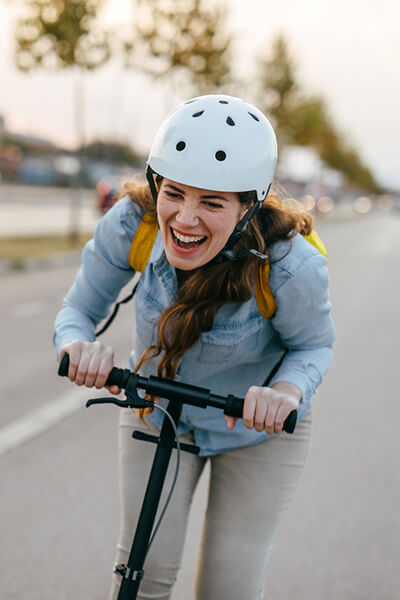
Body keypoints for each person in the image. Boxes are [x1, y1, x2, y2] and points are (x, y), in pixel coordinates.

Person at [53, 94, 335, 600]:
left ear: (248, 206)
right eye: (175, 193)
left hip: (256, 430)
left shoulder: (290, 265)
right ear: (157, 184)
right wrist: (79, 345)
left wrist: (286, 393)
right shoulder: (132, 223)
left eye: (212, 202)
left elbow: (313, 348)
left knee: (227, 588)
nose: (185, 219)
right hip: (159, 409)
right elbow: (77, 311)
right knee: (140, 579)